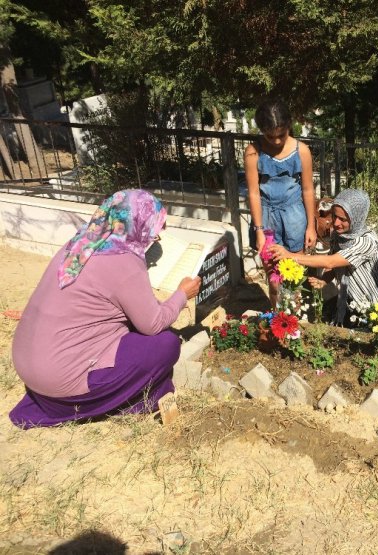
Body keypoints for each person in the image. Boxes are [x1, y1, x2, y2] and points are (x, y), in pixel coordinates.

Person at [9, 189, 201, 429]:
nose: (154, 238)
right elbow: (152, 324)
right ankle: (118, 402)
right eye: (156, 231)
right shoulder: (124, 260)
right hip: (61, 385)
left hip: (31, 369)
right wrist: (182, 295)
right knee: (166, 344)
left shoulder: (82, 243)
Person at [268, 188, 378, 326]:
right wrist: (324, 280)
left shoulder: (366, 242)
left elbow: (330, 262)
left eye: (343, 219)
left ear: (356, 218)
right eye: (334, 216)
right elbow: (334, 265)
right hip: (351, 304)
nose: (336, 223)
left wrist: (289, 255)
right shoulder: (338, 235)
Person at [245, 98, 317, 307]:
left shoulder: (302, 151)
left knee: (294, 276)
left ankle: (293, 324)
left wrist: (311, 226)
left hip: (295, 218)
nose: (276, 141)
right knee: (274, 278)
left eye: (281, 135)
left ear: (289, 126)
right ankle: (278, 321)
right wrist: (258, 230)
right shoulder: (253, 152)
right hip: (267, 221)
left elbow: (307, 189)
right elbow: (254, 193)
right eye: (270, 136)